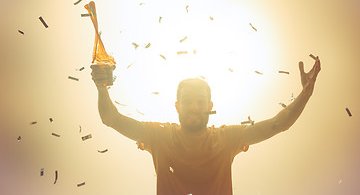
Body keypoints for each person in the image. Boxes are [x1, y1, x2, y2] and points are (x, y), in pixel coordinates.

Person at [91, 56, 321, 195]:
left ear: (210, 105)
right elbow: (111, 119)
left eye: (200, 102)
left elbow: (277, 125)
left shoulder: (228, 138)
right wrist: (102, 86)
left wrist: (306, 93)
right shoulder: (158, 135)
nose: (194, 107)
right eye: (187, 101)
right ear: (177, 105)